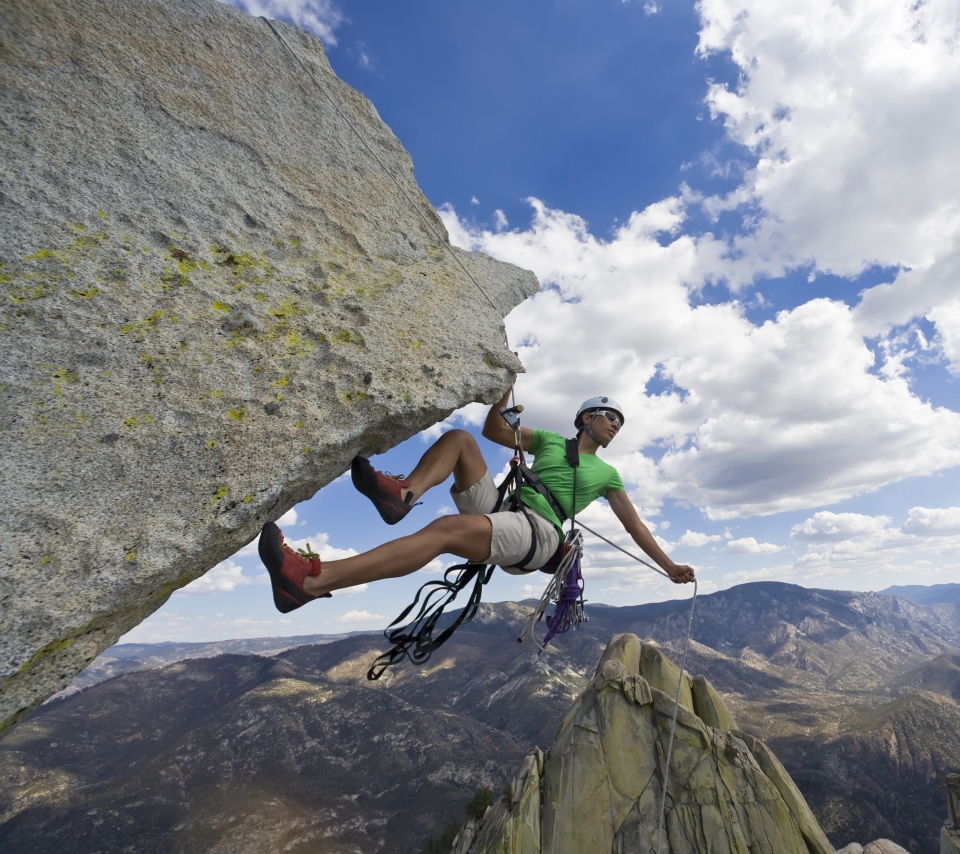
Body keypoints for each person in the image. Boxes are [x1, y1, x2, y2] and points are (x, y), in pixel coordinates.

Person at [258, 392, 696, 613]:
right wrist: (504, 390)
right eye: (610, 416)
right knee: (462, 441)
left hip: (540, 533)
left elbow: (634, 525)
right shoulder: (545, 441)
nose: (616, 425)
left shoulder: (608, 475)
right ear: (586, 418)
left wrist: (668, 565)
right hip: (506, 511)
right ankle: (403, 495)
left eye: (620, 422)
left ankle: (311, 582)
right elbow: (492, 431)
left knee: (446, 531)